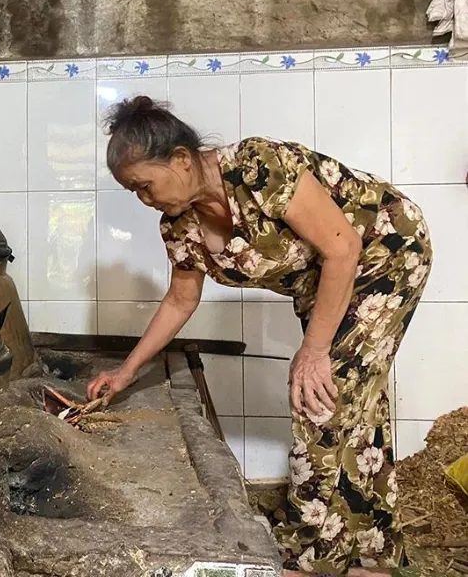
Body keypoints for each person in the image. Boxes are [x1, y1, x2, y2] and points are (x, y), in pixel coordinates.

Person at [86, 96, 432, 576]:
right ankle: (372, 556)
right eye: (134, 192)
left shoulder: (257, 166)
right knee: (356, 406)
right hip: (325, 285)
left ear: (181, 160)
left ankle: (310, 561)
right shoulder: (179, 225)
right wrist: (126, 372)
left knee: (319, 397)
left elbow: (343, 245)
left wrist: (312, 351)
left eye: (145, 186)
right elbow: (180, 300)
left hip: (382, 255)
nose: (144, 200)